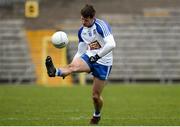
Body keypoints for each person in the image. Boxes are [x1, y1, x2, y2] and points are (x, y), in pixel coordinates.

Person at [45, 4, 116, 124]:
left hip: (104, 62)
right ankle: (54, 71)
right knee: (72, 66)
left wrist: (97, 56)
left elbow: (112, 44)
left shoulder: (101, 26)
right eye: (82, 19)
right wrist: (72, 66)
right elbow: (81, 51)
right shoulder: (82, 31)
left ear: (93, 17)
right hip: (89, 57)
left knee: (95, 96)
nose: (83, 22)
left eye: (86, 20)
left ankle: (97, 114)